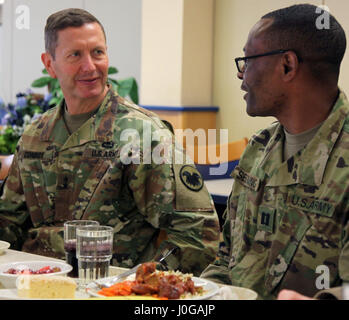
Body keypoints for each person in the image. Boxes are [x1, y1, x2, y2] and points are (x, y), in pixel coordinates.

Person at [0, 8, 220, 276]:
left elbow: (197, 233)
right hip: (32, 282)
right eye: (75, 55)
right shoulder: (35, 134)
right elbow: (9, 222)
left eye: (97, 52)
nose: (90, 67)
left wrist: (142, 280)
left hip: (109, 285)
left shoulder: (143, 136)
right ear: (50, 64)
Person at [201, 4, 349, 299]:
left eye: (248, 60)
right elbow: (226, 261)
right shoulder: (259, 149)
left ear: (287, 66)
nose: (241, 74)